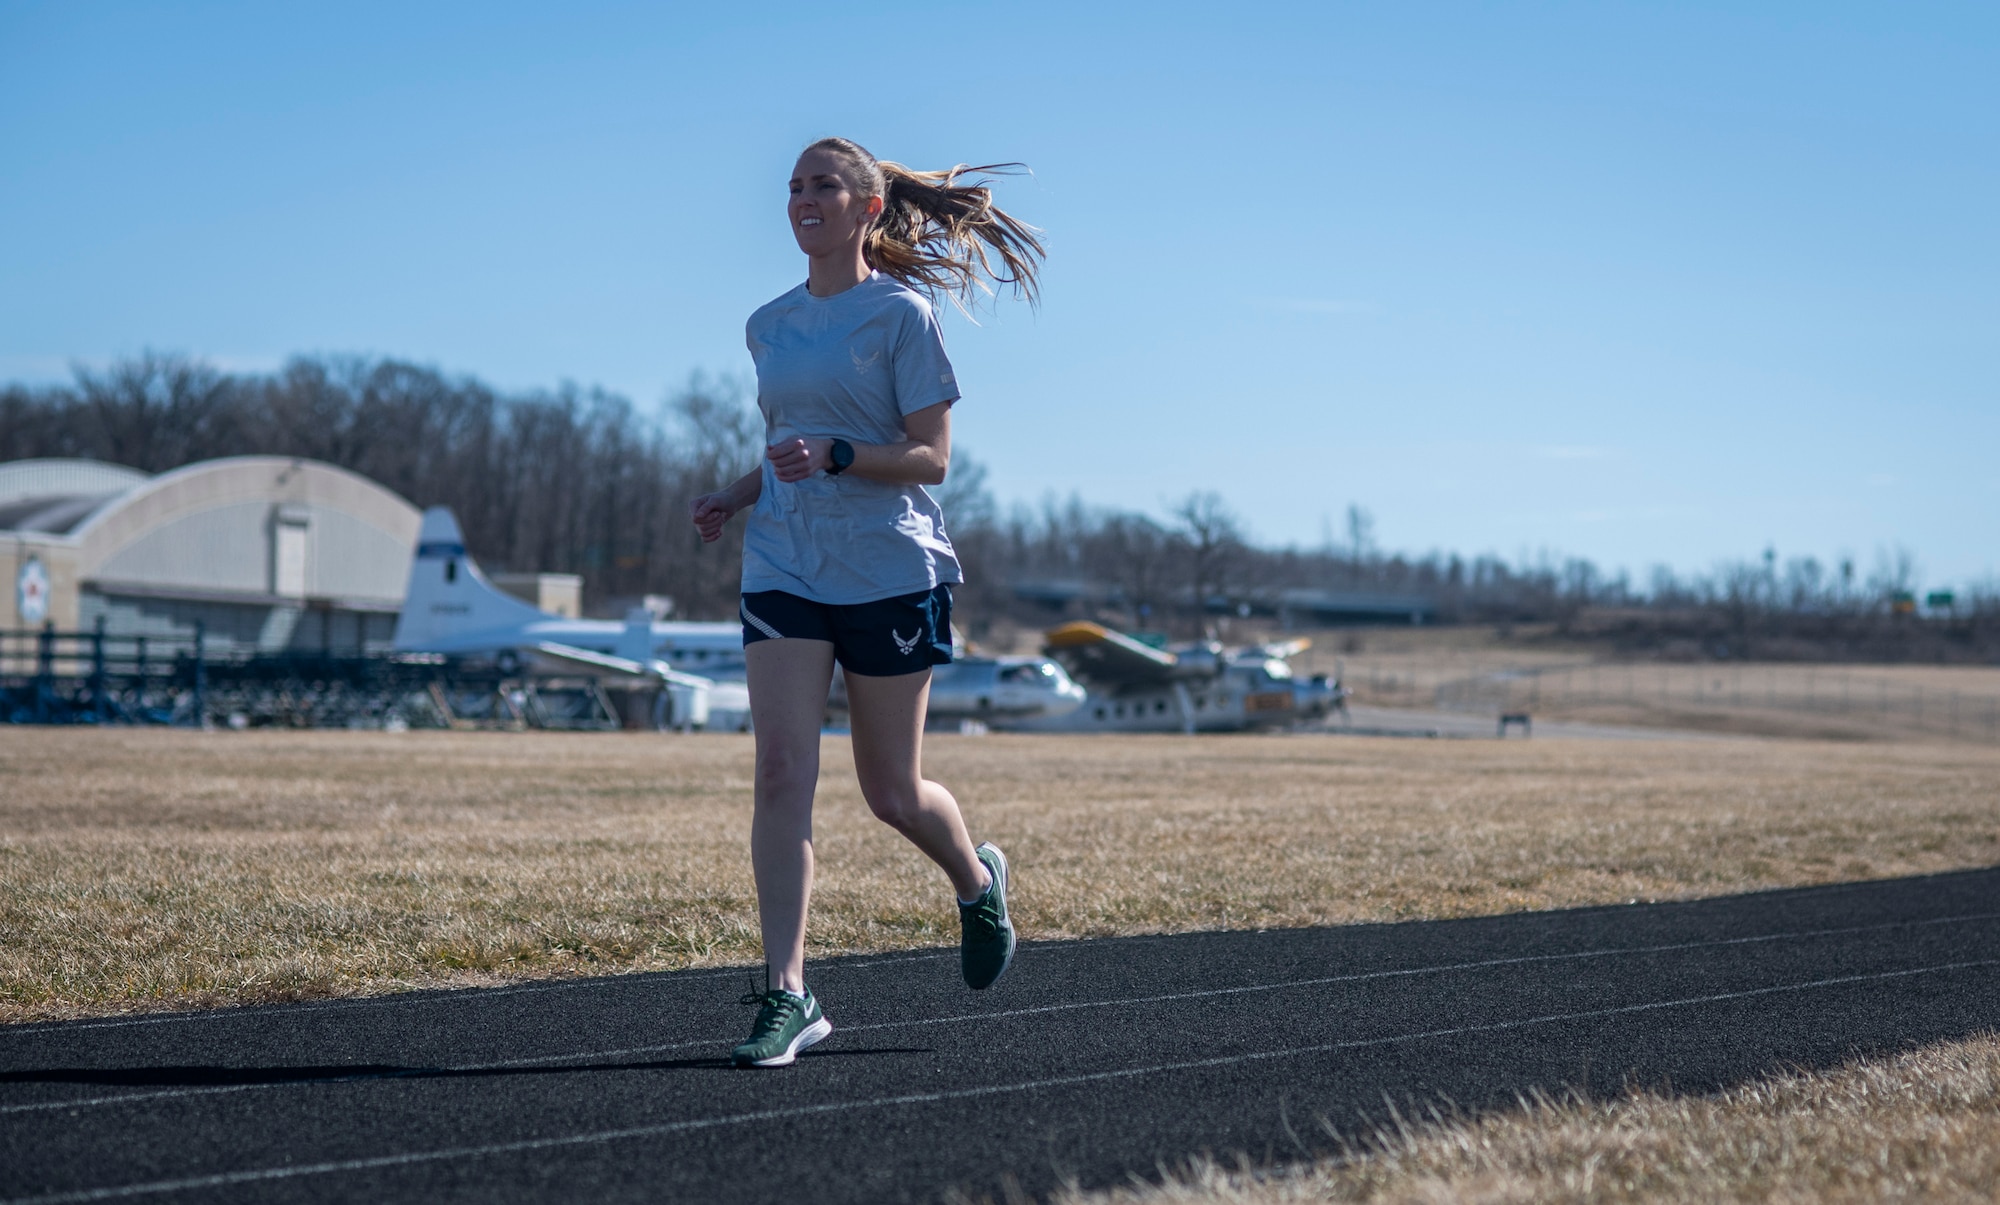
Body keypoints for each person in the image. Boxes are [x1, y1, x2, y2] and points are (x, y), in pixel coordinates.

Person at [689, 137, 1045, 1068]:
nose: (804, 198)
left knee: (890, 791)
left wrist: (844, 457)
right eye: (795, 185)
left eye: (824, 186)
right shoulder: (768, 325)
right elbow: (786, 446)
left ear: (868, 208)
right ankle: (788, 991)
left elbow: (932, 459)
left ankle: (976, 879)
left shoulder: (902, 314)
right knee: (779, 774)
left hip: (890, 569)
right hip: (785, 567)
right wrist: (734, 496)